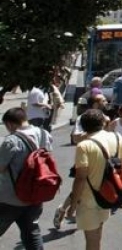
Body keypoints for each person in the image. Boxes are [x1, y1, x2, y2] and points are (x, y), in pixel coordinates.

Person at [70, 108, 122, 250]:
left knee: (91, 238)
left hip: (89, 198)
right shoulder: (117, 137)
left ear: (84, 127)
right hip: (109, 194)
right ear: (103, 123)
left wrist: (72, 204)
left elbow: (80, 178)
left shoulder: (84, 146)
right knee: (98, 235)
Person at [0, 107, 53, 250]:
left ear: (10, 124)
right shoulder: (44, 134)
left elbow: (1, 167)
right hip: (35, 194)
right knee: (31, 233)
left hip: (10, 199)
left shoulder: (11, 141)